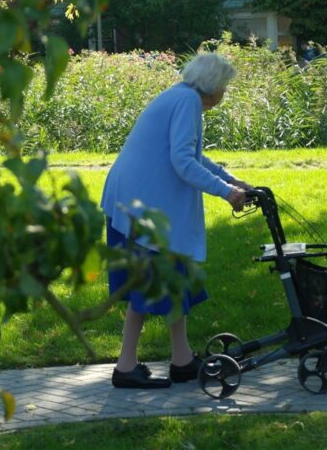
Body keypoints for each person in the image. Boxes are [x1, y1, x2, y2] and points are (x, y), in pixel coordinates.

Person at [100, 53, 253, 389]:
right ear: (212, 88)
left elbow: (193, 155)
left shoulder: (181, 97)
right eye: (224, 87)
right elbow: (183, 161)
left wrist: (231, 181)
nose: (224, 94)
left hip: (136, 203)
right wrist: (225, 192)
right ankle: (125, 367)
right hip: (139, 208)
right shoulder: (186, 101)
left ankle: (181, 360)